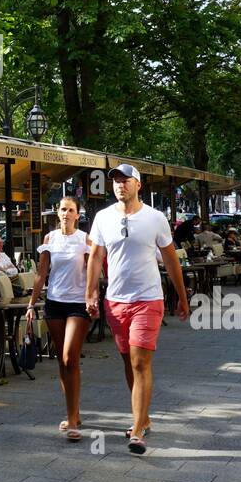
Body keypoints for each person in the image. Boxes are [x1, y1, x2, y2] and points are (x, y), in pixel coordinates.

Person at [85, 164, 189, 456]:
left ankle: (138, 430)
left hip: (148, 299)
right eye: (116, 181)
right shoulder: (103, 217)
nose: (120, 185)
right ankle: (143, 415)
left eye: (125, 180)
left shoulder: (155, 218)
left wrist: (182, 296)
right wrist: (91, 292)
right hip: (116, 302)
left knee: (140, 362)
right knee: (129, 363)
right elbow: (95, 257)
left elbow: (170, 260)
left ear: (138, 185)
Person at [30, 195, 93, 441]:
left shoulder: (85, 239)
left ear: (78, 214)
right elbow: (41, 272)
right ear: (57, 213)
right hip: (55, 303)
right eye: (62, 209)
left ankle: (74, 420)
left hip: (78, 304)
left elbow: (92, 272)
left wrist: (93, 297)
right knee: (62, 362)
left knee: (70, 357)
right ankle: (73, 413)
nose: (66, 213)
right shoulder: (49, 239)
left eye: (71, 210)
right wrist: (31, 303)